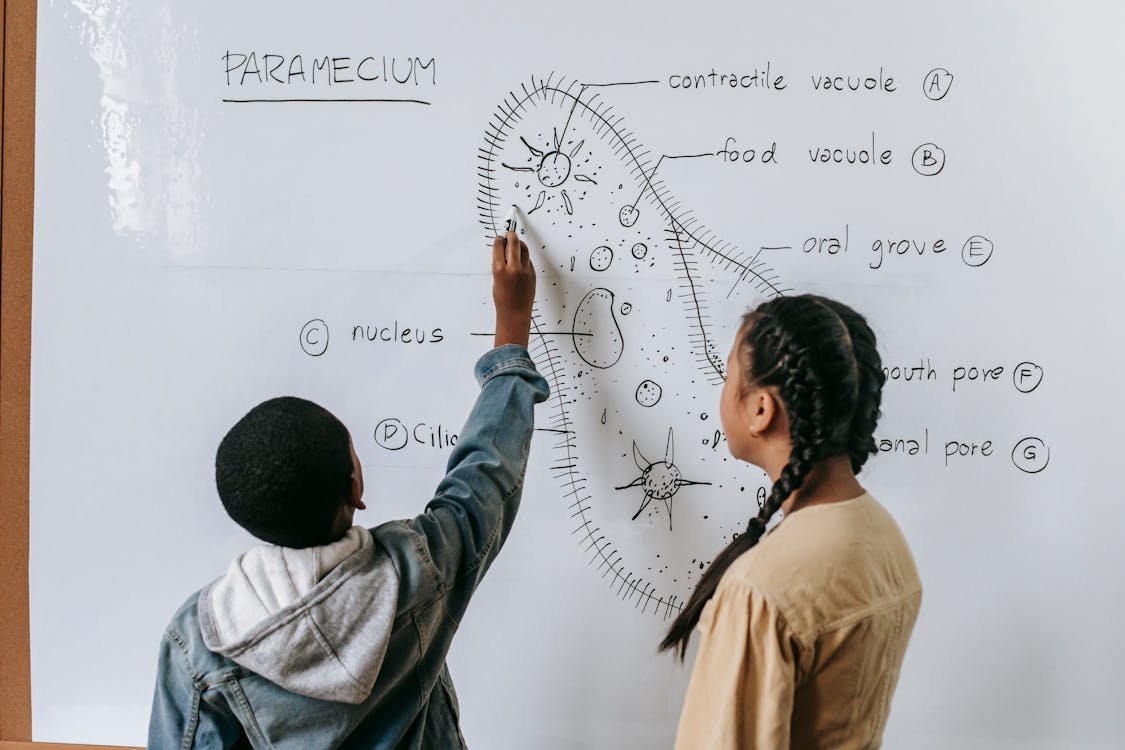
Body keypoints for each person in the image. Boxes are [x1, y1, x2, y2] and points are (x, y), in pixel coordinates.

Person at [148, 231, 545, 749]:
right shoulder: (419, 569)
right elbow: (487, 472)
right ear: (357, 485)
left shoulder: (201, 641)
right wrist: (511, 332)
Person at [663, 294, 922, 749]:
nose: (723, 388)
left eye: (728, 376)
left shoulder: (760, 590)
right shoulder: (883, 535)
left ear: (761, 410)